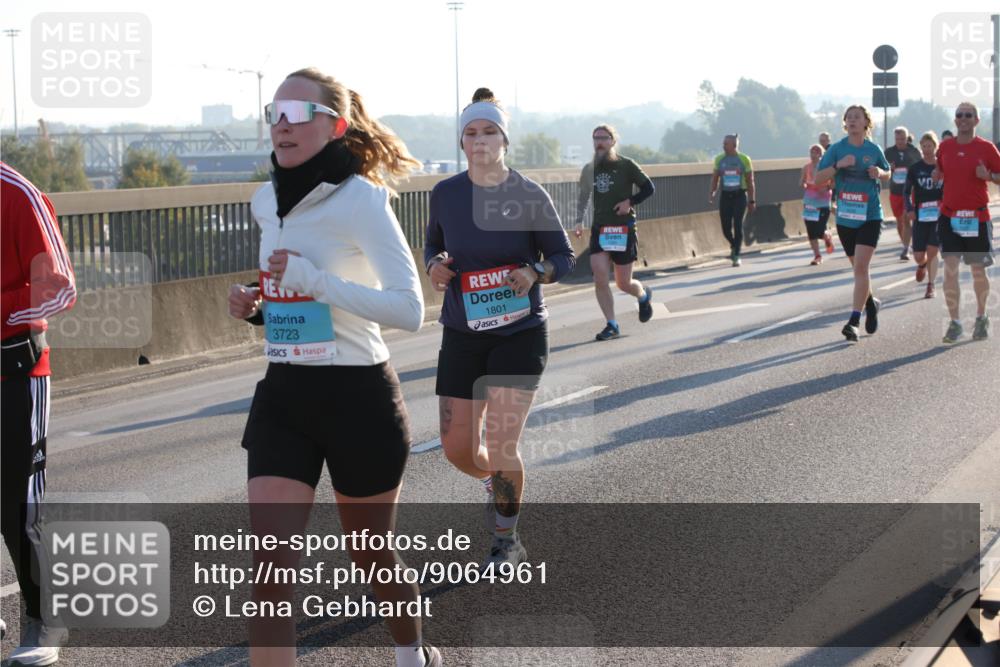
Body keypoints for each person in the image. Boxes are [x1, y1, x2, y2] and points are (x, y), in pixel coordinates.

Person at [228, 68, 438, 667]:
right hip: (286, 395)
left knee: (371, 554)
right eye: (274, 112)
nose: (282, 124)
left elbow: (409, 309)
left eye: (297, 110)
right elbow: (292, 296)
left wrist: (314, 280)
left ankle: (412, 652)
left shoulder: (362, 201)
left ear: (334, 125)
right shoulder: (265, 200)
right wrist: (256, 304)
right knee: (270, 566)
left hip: (358, 398)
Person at [426, 88, 575, 569]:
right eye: (471, 133)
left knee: (504, 440)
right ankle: (496, 480)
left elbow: (563, 256)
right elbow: (433, 246)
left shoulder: (528, 194)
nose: (480, 140)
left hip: (520, 331)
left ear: (504, 140)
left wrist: (534, 273)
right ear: (462, 143)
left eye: (489, 131)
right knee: (456, 447)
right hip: (463, 332)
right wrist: (435, 267)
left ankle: (506, 540)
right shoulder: (445, 194)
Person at [2, 161, 77, 667]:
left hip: (14, 373)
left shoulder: (17, 195)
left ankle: (43, 617)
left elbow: (60, 288)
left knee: (16, 503)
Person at [570, 125, 655, 341]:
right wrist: (578, 221)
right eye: (595, 138)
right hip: (601, 229)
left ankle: (643, 295)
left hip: (623, 229)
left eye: (603, 138)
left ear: (613, 141)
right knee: (599, 276)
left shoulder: (627, 165)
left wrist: (630, 202)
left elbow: (649, 188)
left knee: (623, 283)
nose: (599, 142)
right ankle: (612, 324)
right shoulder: (589, 169)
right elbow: (583, 196)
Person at [814, 105, 891, 342]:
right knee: (857, 269)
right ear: (845, 123)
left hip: (870, 216)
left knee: (861, 268)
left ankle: (854, 321)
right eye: (849, 118)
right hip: (846, 218)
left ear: (866, 123)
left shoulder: (873, 148)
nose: (853, 121)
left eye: (857, 117)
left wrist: (879, 171)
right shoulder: (837, 149)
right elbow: (818, 179)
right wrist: (838, 166)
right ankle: (871, 302)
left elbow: (888, 172)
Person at [935, 101, 1000, 343]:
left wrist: (990, 176)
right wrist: (936, 175)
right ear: (955, 120)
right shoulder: (946, 147)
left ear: (976, 120)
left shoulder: (986, 148)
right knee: (950, 268)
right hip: (950, 216)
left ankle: (981, 317)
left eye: (968, 115)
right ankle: (955, 323)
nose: (963, 118)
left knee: (977, 272)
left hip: (977, 217)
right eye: (959, 115)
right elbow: (941, 170)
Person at [903, 132, 944, 299]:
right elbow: (906, 192)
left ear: (936, 147)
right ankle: (923, 265)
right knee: (919, 255)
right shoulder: (915, 169)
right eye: (924, 146)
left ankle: (931, 285)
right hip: (920, 215)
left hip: (939, 214)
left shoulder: (942, 167)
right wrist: (910, 208)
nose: (927, 149)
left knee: (933, 250)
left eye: (930, 146)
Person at [709, 134, 757, 267]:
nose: (723, 146)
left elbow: (750, 180)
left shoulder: (744, 159)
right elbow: (715, 178)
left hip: (739, 196)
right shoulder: (719, 159)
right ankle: (733, 244)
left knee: (737, 225)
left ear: (734, 145)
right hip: (725, 196)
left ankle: (736, 255)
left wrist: (752, 200)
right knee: (725, 228)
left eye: (726, 144)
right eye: (723, 143)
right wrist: (712, 192)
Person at [883, 127, 923, 261]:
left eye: (902, 139)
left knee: (906, 219)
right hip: (895, 191)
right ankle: (906, 244)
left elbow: (921, 168)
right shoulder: (889, 152)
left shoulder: (914, 152)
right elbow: (883, 170)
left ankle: (906, 249)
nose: (900, 142)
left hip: (909, 192)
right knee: (899, 221)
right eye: (897, 139)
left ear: (907, 138)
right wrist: (889, 168)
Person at [800, 144, 836, 264]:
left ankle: (827, 236)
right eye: (811, 152)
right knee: (811, 231)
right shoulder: (806, 167)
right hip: (809, 202)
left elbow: (834, 183)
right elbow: (802, 182)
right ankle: (817, 256)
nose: (813, 155)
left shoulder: (826, 167)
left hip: (823, 202)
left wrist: (826, 188)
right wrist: (805, 185)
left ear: (821, 154)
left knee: (820, 230)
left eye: (816, 152)